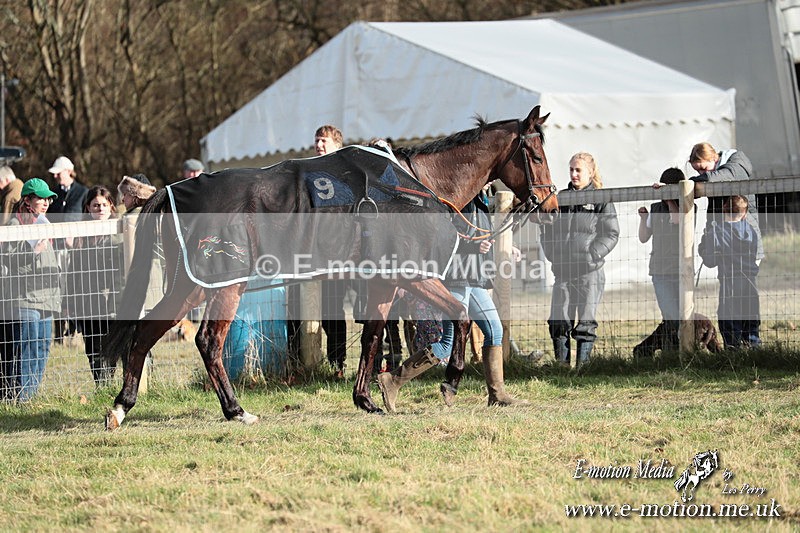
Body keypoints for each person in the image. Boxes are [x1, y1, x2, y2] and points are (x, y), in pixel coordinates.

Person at [381, 187, 526, 408]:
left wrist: (505, 246)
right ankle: (392, 380)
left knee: (494, 331)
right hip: (457, 277)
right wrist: (472, 245)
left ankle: (497, 395)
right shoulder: (461, 198)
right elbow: (444, 239)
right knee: (448, 344)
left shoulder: (480, 200)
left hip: (474, 279)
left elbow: (484, 235)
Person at [542, 152, 619, 368]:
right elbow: (547, 230)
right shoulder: (561, 198)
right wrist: (553, 254)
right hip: (563, 271)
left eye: (578, 170)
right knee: (559, 320)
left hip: (589, 273)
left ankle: (583, 368)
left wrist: (591, 254)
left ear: (590, 172)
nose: (574, 174)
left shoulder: (600, 199)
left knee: (586, 322)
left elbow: (611, 233)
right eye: (571, 170)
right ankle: (562, 366)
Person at [1, 178, 60, 401]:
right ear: (27, 200)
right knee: (27, 349)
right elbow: (9, 258)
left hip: (47, 298)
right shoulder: (15, 225)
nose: (46, 203)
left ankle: (32, 397)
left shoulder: (45, 222)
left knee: (43, 349)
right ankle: (22, 399)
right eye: (41, 198)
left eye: (48, 199)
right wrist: (33, 251)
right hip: (25, 298)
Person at [64, 186, 124, 385]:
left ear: (111, 206)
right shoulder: (81, 236)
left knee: (112, 346)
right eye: (96, 205)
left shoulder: (120, 232)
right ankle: (101, 386)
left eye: (104, 205)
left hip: (113, 301)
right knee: (92, 348)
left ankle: (110, 385)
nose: (100, 209)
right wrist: (68, 302)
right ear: (88, 208)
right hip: (88, 302)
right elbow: (72, 271)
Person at [633, 168, 687, 357]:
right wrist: (643, 219)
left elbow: (677, 220)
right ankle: (670, 352)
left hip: (681, 270)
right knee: (670, 315)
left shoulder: (688, 206)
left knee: (682, 315)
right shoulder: (655, 208)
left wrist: (670, 200)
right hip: (660, 271)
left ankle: (679, 350)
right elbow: (643, 237)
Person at [698, 195, 761, 348]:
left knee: (729, 319)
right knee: (751, 317)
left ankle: (733, 351)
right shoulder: (751, 231)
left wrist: (702, 248)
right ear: (744, 214)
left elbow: (710, 261)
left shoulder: (716, 231)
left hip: (730, 282)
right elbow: (754, 254)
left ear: (723, 210)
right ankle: (754, 349)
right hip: (750, 281)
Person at [688, 142, 763, 261]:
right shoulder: (715, 173)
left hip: (745, 242)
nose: (701, 173)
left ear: (714, 158)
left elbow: (713, 178)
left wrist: (689, 183)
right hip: (726, 245)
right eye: (697, 171)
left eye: (703, 168)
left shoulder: (736, 165)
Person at [314, 124, 350, 375]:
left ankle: (340, 363)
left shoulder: (345, 172)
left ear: (337, 144)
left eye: (324, 141)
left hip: (344, 250)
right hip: (318, 251)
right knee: (327, 310)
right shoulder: (311, 171)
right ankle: (332, 364)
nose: (318, 145)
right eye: (316, 140)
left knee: (339, 310)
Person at [47, 156, 88, 222]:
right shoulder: (53, 194)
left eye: (58, 173)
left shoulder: (83, 192)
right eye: (54, 174)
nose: (55, 176)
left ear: (69, 171)